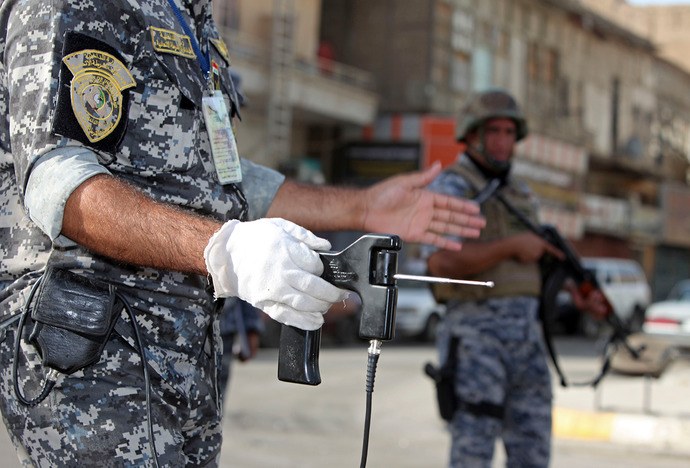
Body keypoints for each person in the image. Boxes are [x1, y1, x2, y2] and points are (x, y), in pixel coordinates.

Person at [0, 1, 486, 466]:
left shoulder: (190, 17)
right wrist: (225, 250)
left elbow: (219, 184)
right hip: (94, 351)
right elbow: (58, 182)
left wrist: (363, 207)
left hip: (186, 351)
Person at [424, 88, 607, 467]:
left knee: (533, 454)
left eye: (510, 132)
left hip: (527, 344)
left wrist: (572, 290)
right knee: (472, 455)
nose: (503, 141)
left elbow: (532, 261)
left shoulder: (519, 192)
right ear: (471, 134)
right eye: (494, 131)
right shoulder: (453, 186)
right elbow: (441, 262)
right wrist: (511, 246)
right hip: (477, 343)